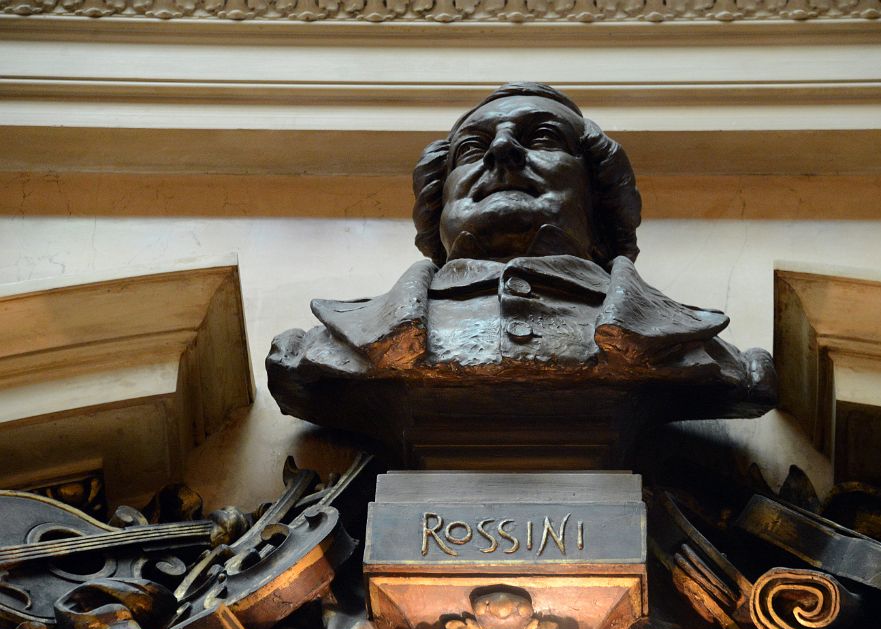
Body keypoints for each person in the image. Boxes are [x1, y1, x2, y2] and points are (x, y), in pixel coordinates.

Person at [267, 83, 776, 452]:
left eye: (543, 138)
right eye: (470, 149)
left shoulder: (699, 350)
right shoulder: (328, 347)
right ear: (437, 201)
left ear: (599, 198)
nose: (503, 150)